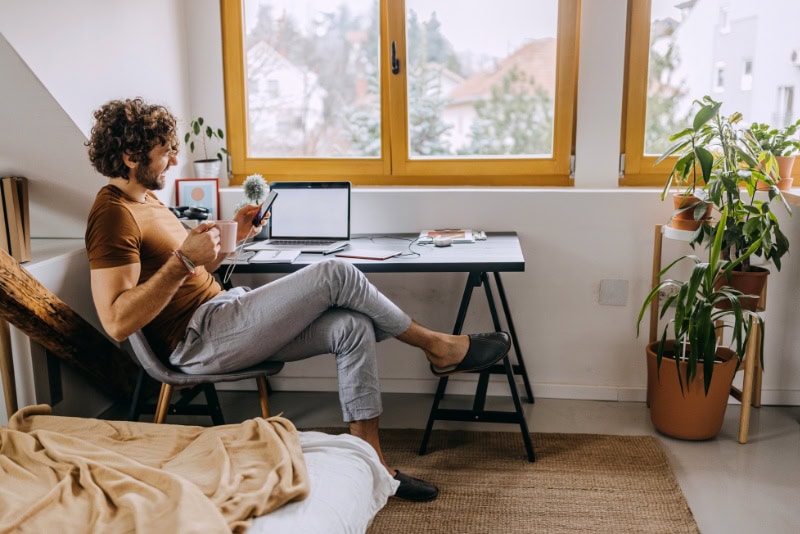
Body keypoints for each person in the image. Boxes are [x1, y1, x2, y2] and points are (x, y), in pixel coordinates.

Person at [84, 98, 511, 502]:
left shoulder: (148, 201)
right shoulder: (112, 215)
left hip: (222, 314)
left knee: (352, 325)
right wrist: (182, 261)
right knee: (337, 271)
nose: (173, 161)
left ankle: (374, 464)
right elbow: (118, 320)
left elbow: (189, 275)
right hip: (197, 341)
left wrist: (236, 235)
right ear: (130, 156)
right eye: (164, 152)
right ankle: (438, 346)